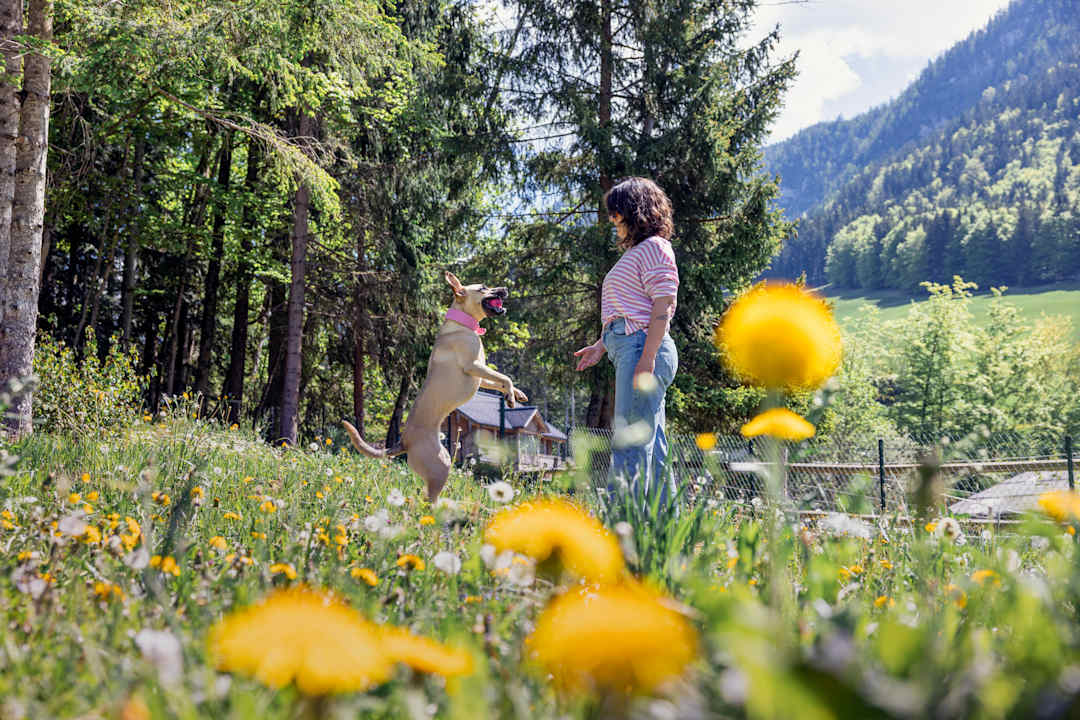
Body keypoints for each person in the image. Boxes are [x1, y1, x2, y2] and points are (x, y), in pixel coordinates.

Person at [574, 177, 679, 503]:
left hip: (643, 348)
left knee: (630, 442)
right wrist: (602, 344)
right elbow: (632, 309)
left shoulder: (654, 247)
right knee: (653, 444)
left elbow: (663, 303)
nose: (612, 219)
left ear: (634, 210)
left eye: (616, 212)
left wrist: (646, 359)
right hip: (634, 346)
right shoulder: (638, 252)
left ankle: (622, 529)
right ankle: (664, 532)